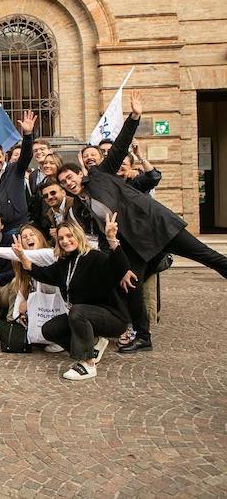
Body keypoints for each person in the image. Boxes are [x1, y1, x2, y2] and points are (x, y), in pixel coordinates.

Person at [58, 93, 227, 353]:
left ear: (79, 174)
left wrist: (134, 117)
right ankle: (143, 336)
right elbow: (105, 234)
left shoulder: (100, 175)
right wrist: (119, 263)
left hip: (156, 225)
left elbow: (119, 148)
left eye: (70, 177)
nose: (68, 182)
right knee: (130, 283)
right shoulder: (80, 208)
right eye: (64, 182)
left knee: (205, 255)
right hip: (135, 244)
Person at [20, 217, 130, 380]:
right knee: (50, 329)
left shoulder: (94, 257)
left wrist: (112, 239)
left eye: (69, 236)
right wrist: (23, 258)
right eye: (61, 238)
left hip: (112, 317)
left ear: (78, 235)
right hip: (84, 316)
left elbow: (119, 268)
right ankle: (93, 346)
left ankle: (87, 364)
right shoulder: (64, 263)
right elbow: (43, 273)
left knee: (78, 311)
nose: (65, 241)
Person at [0, 224, 65, 353]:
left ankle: (62, 338)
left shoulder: (49, 253)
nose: (28, 238)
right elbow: (21, 290)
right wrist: (18, 315)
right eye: (24, 237)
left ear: (40, 238)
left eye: (32, 235)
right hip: (43, 307)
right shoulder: (22, 263)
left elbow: (14, 254)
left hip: (62, 305)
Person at [0, 110, 37, 236]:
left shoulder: (16, 169)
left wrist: (28, 134)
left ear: (4, 156)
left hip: (19, 227)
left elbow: (26, 155)